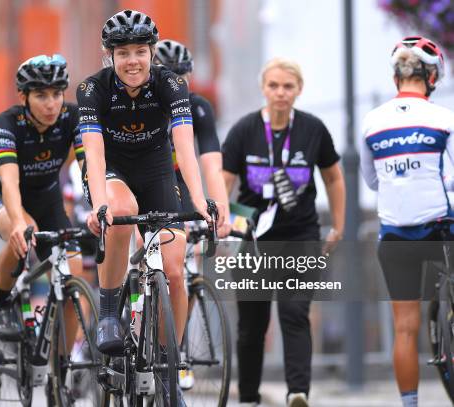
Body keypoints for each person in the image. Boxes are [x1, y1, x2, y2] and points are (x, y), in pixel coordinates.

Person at [78, 10, 222, 406]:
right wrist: (100, 204)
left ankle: (166, 365)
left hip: (158, 173)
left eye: (140, 51)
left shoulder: (171, 84)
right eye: (123, 52)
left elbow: (186, 148)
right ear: (109, 56)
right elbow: (92, 151)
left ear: (152, 52)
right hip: (113, 170)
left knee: (174, 270)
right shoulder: (92, 89)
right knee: (121, 210)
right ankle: (108, 311)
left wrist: (199, 200)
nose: (133, 61)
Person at [222, 58, 345, 407]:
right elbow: (224, 182)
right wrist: (222, 225)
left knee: (294, 313)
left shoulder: (312, 129)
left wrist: (338, 224)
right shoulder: (244, 130)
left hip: (301, 236)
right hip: (254, 238)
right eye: (274, 85)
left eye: (288, 86)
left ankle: (298, 392)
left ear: (298, 90)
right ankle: (248, 397)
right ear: (264, 88)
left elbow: (333, 176)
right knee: (252, 325)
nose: (280, 93)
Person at [360, 36, 454, 407]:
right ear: (431, 76)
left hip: (394, 234)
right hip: (442, 227)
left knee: (404, 327)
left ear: (396, 76)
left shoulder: (372, 121)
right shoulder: (444, 118)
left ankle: (410, 403)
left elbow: (371, 181)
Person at [0, 54, 85, 351]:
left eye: (56, 94)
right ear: (24, 96)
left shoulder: (72, 117)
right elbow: (9, 181)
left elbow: (88, 166)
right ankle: (0, 304)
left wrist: (99, 204)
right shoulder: (8, 122)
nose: (51, 104)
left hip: (48, 200)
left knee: (72, 272)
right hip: (1, 194)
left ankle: (61, 367)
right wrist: (18, 221)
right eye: (41, 95)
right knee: (22, 232)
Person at [154, 39, 231, 235]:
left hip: (180, 180)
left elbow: (213, 167)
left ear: (189, 76)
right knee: (142, 239)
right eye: (167, 77)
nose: (174, 85)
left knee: (193, 243)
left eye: (181, 77)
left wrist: (224, 218)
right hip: (146, 178)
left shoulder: (198, 106)